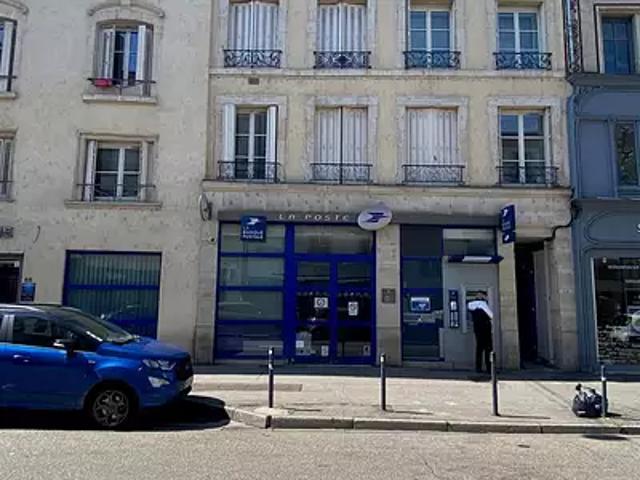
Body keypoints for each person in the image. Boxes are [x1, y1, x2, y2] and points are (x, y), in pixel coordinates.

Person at [467, 292, 494, 374]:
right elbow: (491, 315)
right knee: (488, 349)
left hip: (477, 329)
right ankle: (489, 368)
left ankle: (478, 367)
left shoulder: (471, 305)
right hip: (486, 329)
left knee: (479, 349)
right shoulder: (483, 304)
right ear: (482, 296)